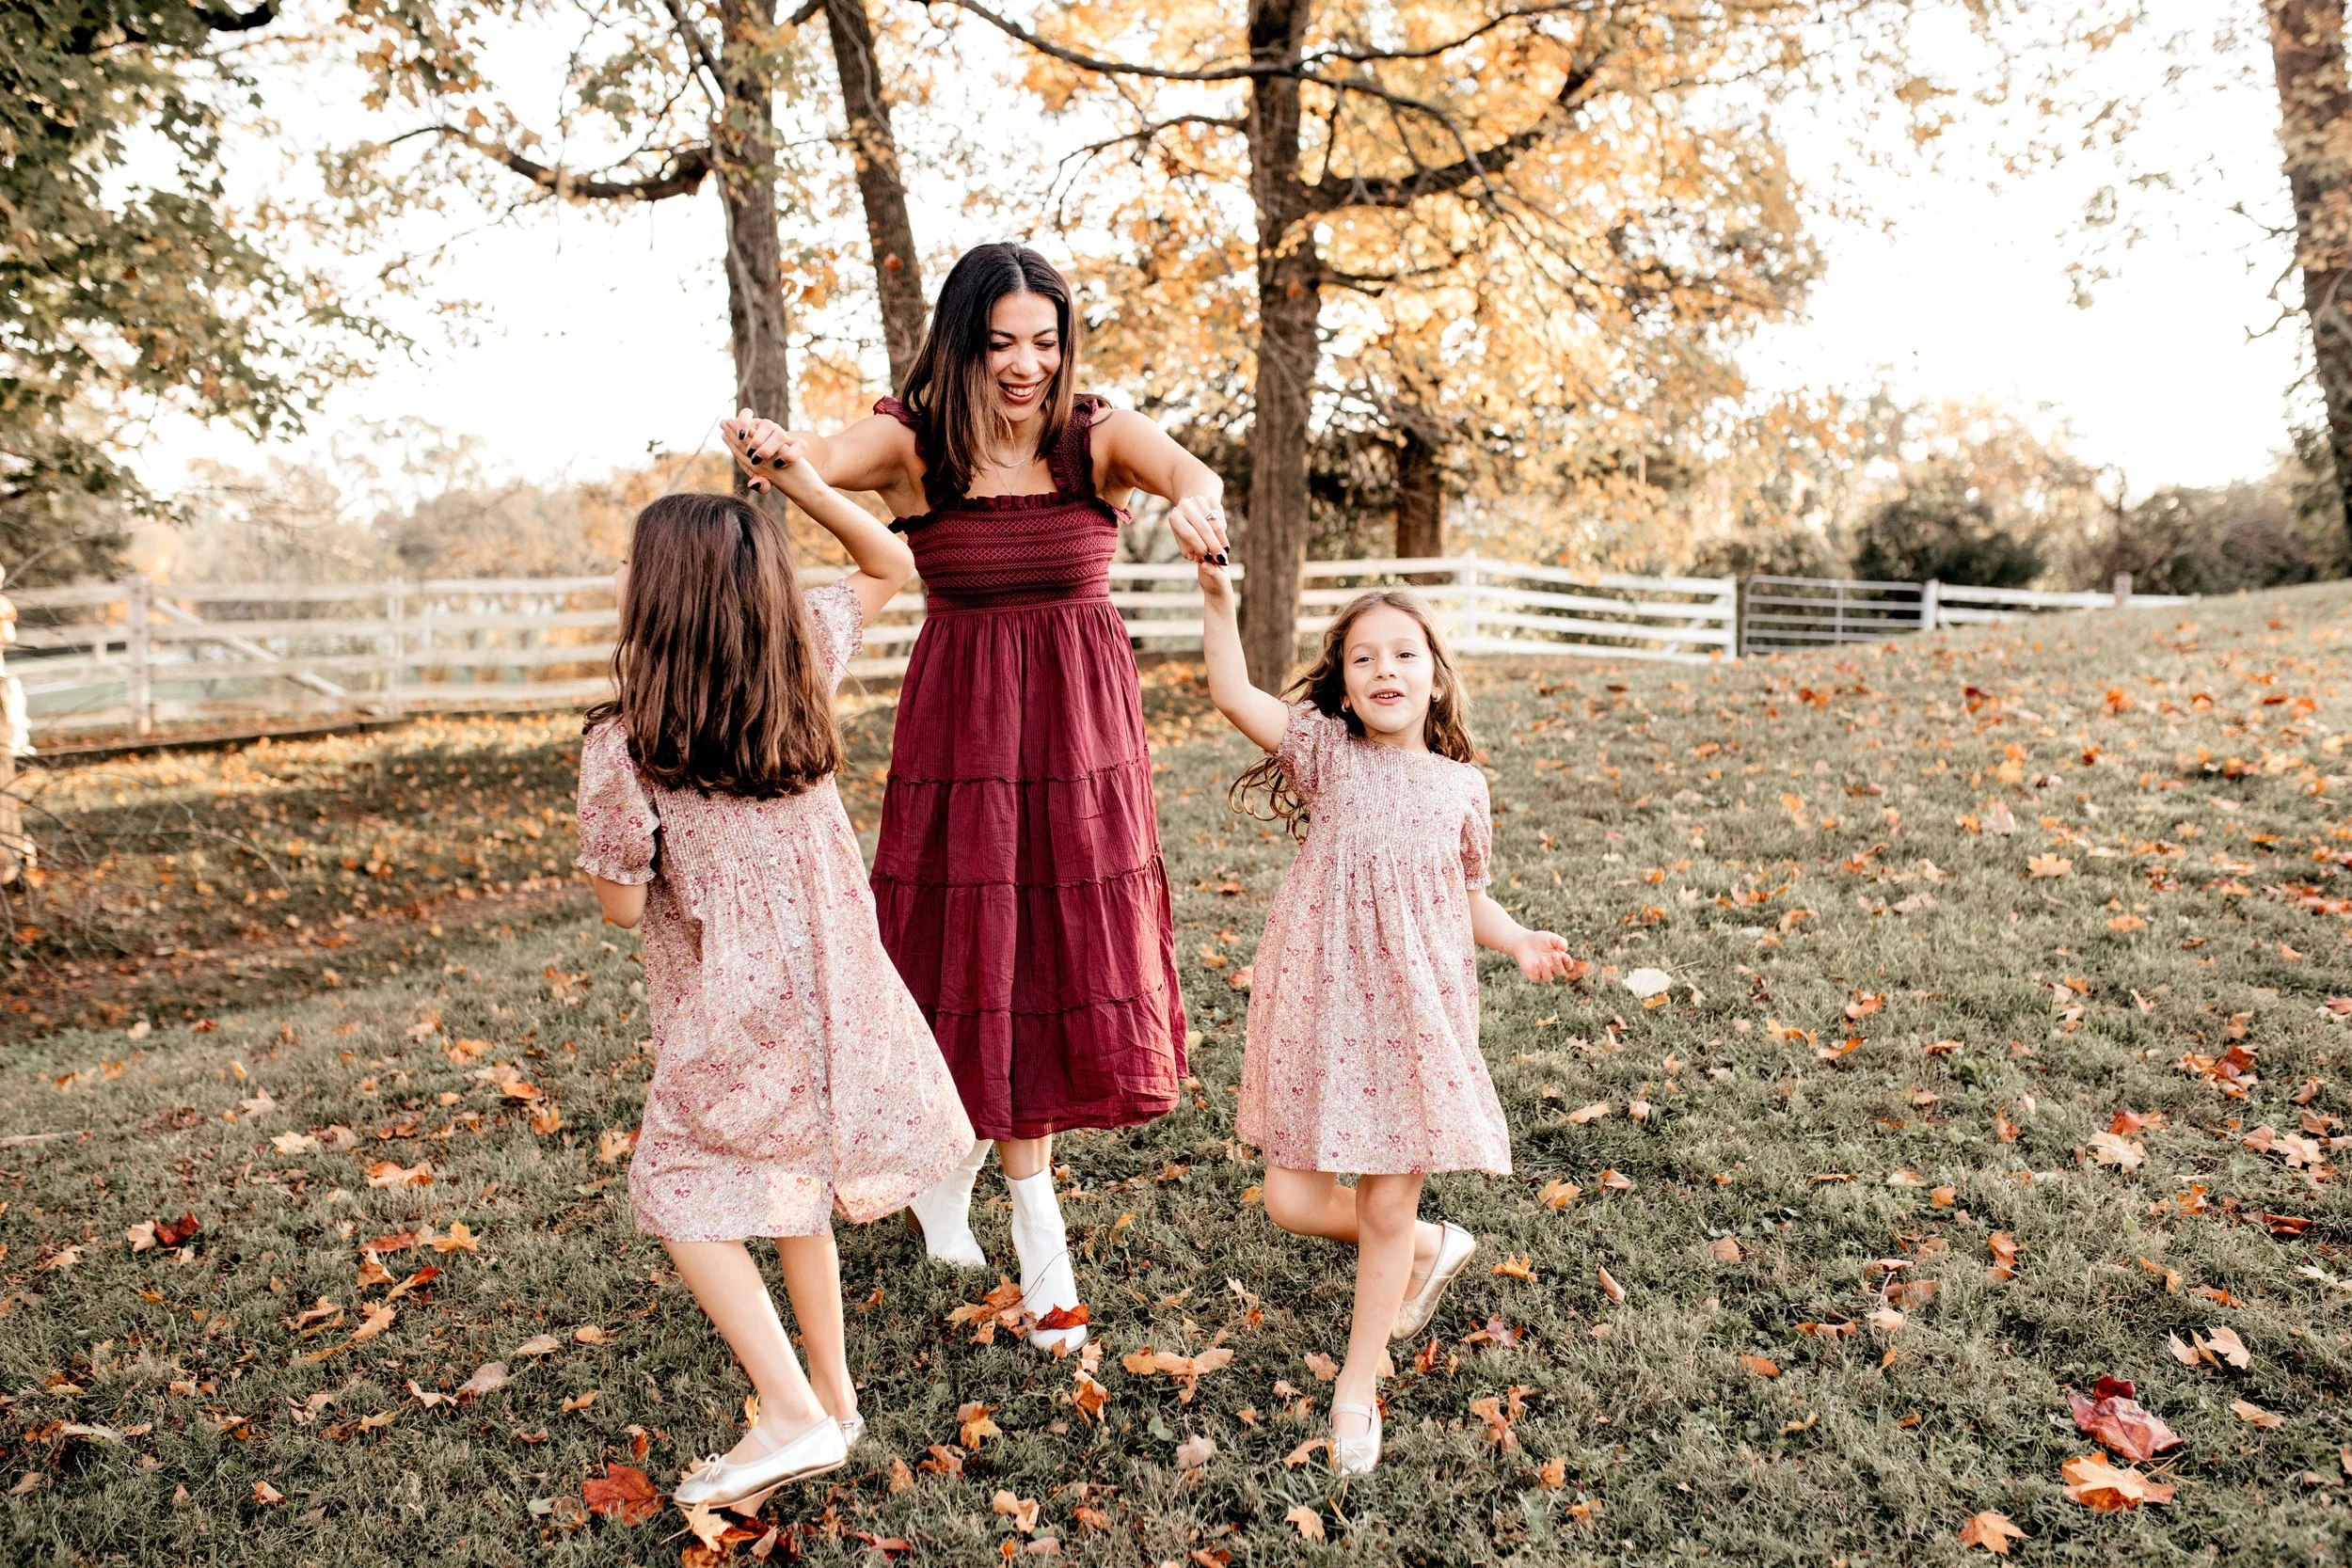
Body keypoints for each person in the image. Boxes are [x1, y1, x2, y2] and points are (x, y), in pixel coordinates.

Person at [723, 242, 1228, 1354]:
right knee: (954, 951)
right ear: (960, 341)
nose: (1025, 364)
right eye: (1001, 342)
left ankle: (1030, 1214)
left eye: (1043, 341)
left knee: (1052, 952)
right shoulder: (915, 442)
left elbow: (1195, 474)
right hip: (963, 734)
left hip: (1082, 738)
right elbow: (821, 458)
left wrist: (1198, 506)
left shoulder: (1095, 432)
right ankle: (946, 1179)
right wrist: (780, 453)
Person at [574, 455, 973, 1511]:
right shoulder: (805, 670)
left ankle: (792, 1411)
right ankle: (833, 1401)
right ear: (762, 592)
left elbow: (621, 905)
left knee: (676, 1190)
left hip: (732, 1005)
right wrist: (795, 477)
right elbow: (889, 558)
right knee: (794, 1192)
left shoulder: (624, 742)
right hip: (842, 986)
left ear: (652, 597)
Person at [1196, 571, 1581, 1475]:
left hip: (1412, 1006)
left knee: (1384, 1198)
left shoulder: (1461, 788)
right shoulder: (1328, 756)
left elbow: (1468, 896)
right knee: (1290, 1198)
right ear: (1344, 679)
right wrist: (1218, 602)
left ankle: (1356, 1388)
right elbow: (1229, 692)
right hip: (1318, 996)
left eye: (1405, 654)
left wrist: (1518, 937)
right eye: (1364, 657)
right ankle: (1431, 1246)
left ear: (1435, 677)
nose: (1385, 670)